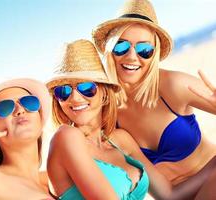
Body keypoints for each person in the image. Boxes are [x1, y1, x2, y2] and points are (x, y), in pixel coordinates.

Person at [46, 39, 216, 200]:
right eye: (63, 91)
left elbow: (169, 195)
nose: (75, 98)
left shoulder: (121, 140)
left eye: (86, 88)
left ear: (105, 93)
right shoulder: (66, 137)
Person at [92, 0, 216, 185]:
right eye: (121, 46)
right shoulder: (108, 114)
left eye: (144, 49)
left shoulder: (174, 85)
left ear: (155, 53)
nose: (132, 56)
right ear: (110, 50)